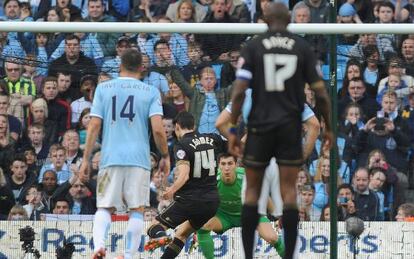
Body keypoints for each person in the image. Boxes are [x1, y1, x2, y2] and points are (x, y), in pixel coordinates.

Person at [228, 3, 332, 259]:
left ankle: (248, 255)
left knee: (252, 192)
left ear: (264, 20)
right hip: (289, 128)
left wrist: (232, 127)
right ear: (288, 21)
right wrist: (329, 126)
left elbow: (240, 90)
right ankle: (290, 256)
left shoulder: (252, 47)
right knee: (288, 193)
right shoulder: (302, 48)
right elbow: (320, 93)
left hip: (260, 129)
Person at [79, 48, 170, 259]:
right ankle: (129, 255)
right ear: (142, 68)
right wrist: (164, 155)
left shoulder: (103, 88)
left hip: (110, 157)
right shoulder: (150, 91)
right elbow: (158, 129)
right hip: (139, 159)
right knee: (136, 209)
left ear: (120, 66)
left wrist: (85, 159)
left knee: (104, 207)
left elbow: (93, 126)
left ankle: (99, 247)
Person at [146, 111, 224, 259]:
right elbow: (235, 143)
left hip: (190, 200)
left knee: (153, 227)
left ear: (177, 127)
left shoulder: (181, 145)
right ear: (194, 125)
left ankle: (163, 236)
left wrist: (172, 190)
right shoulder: (213, 138)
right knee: (181, 234)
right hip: (212, 202)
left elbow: (184, 174)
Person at [197, 153, 285, 259]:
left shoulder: (246, 177)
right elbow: (202, 200)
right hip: (224, 217)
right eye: (223, 164)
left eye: (230, 163)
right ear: (218, 165)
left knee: (272, 237)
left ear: (236, 165)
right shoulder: (212, 179)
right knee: (202, 226)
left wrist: (279, 215)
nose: (226, 168)